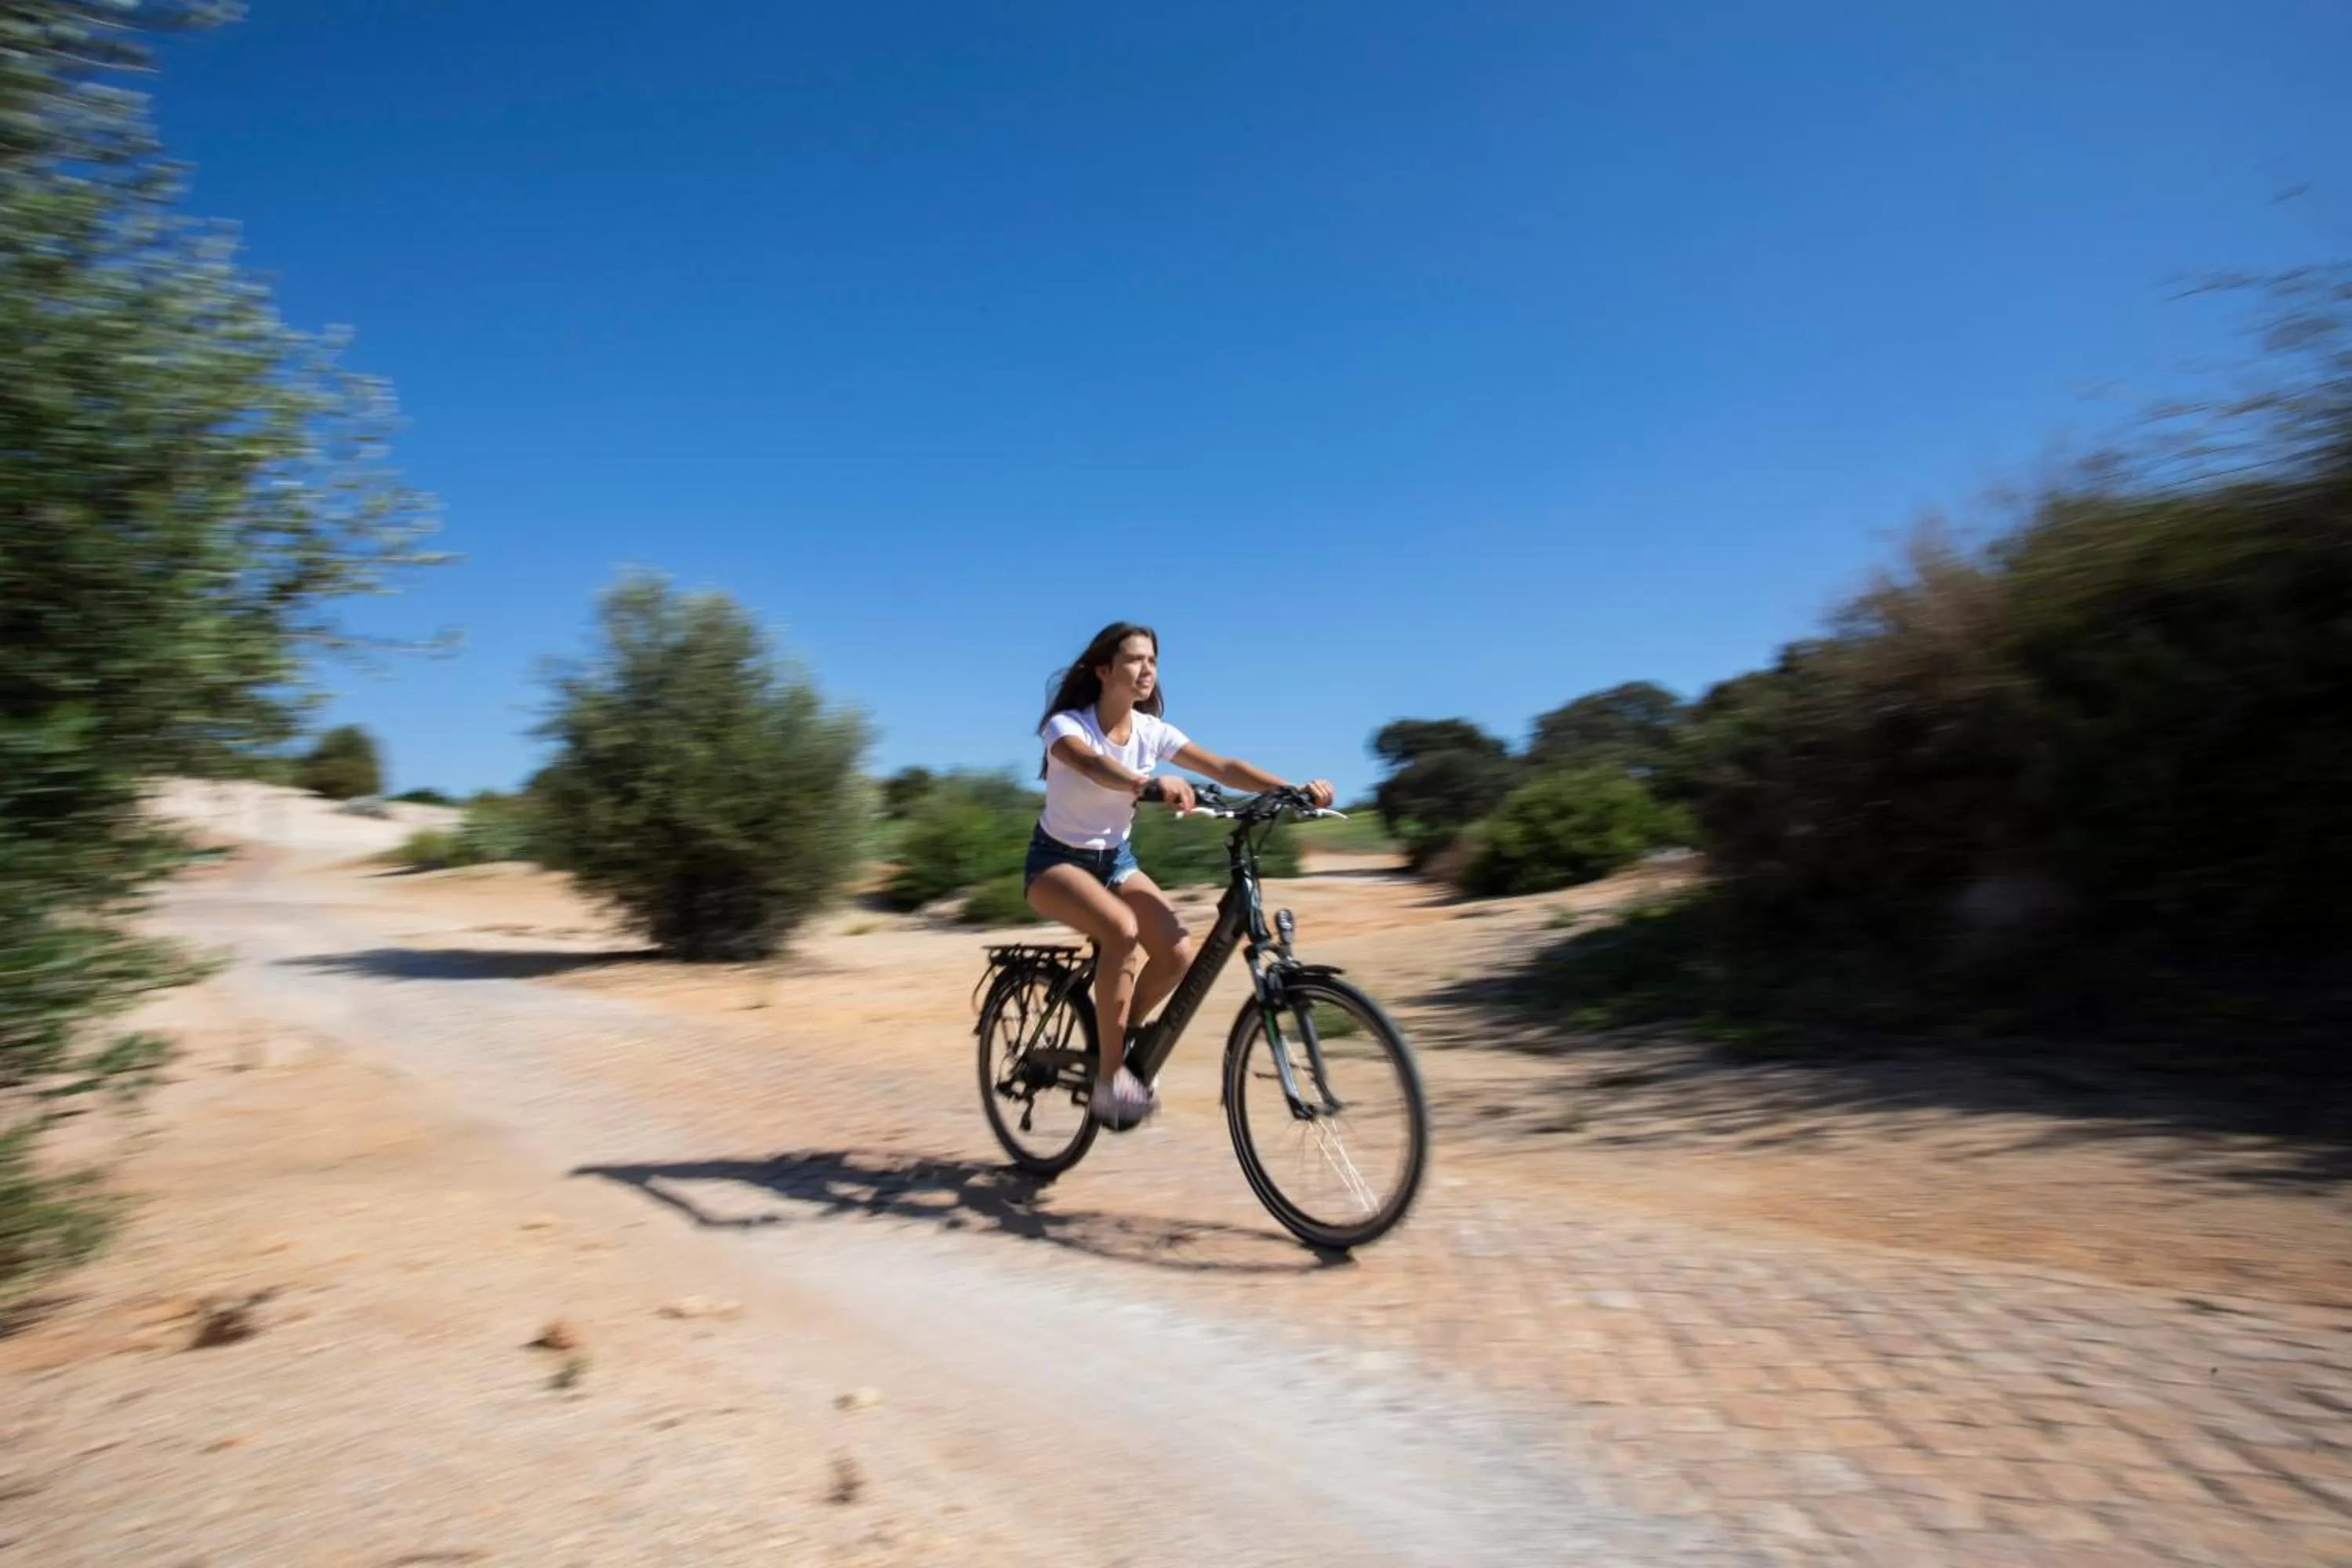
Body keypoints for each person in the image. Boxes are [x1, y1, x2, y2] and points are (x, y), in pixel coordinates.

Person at [1025, 622, 1334, 1130]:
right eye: (1135, 660)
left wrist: (1295, 790)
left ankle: (1120, 1034)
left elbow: (1222, 766)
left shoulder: (1151, 732)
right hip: (1056, 863)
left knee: (1176, 953)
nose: (1148, 669)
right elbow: (1093, 765)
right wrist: (1146, 783)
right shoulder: (1067, 726)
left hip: (1114, 861)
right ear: (1104, 670)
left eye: (1153, 660)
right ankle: (1109, 1082)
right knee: (1122, 932)